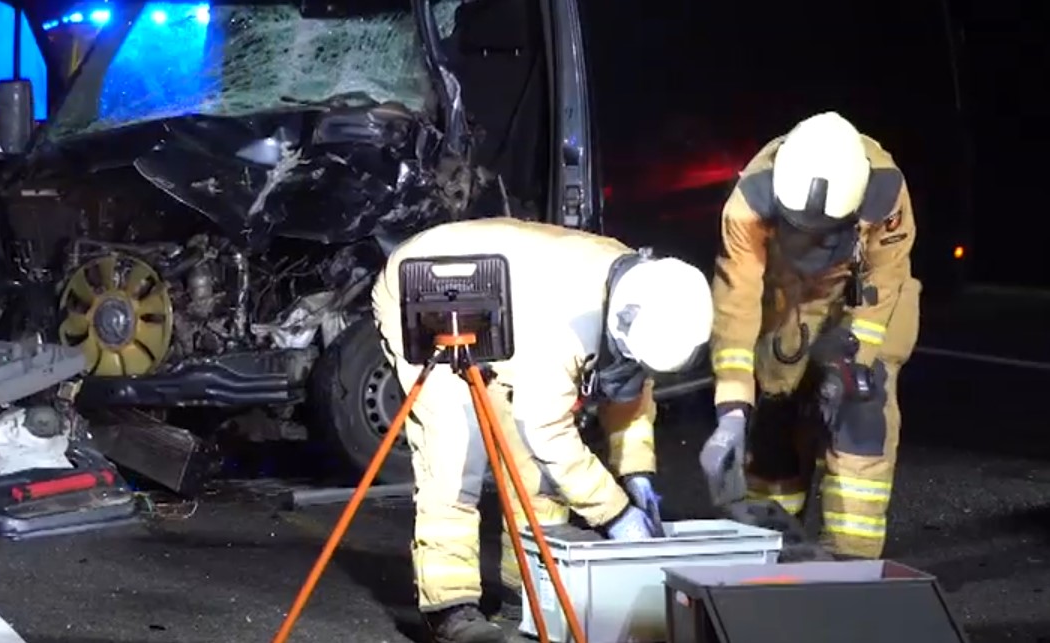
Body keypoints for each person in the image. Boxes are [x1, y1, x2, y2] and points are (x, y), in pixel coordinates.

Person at [371, 216, 715, 643]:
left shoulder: (646, 294)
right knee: (458, 451)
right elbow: (547, 432)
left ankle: (531, 586)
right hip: (428, 287)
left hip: (508, 301)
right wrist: (615, 513)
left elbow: (630, 388)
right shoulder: (568, 322)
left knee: (535, 469)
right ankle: (449, 605)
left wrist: (637, 472)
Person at [700, 110, 919, 560]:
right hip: (785, 303)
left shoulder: (884, 191)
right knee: (775, 423)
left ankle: (850, 560)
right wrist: (733, 409)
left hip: (853, 302)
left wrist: (853, 363)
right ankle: (770, 550)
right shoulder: (751, 203)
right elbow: (736, 302)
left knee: (863, 415)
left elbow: (884, 280)